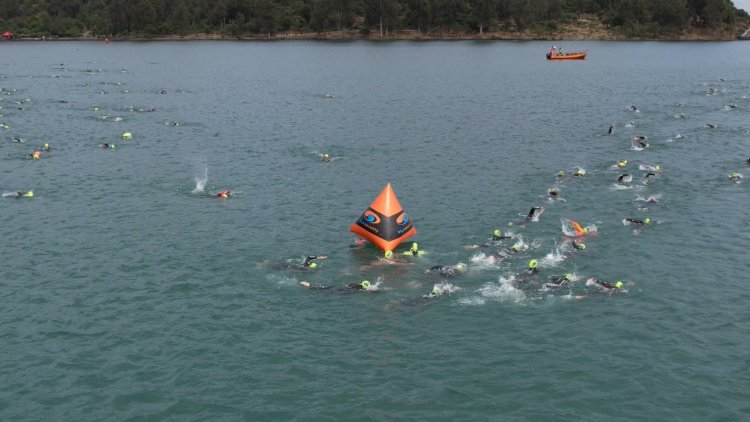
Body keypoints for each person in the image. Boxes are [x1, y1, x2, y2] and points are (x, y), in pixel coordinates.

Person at [300, 279, 372, 292]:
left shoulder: (356, 284)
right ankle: (309, 286)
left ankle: (310, 286)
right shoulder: (358, 289)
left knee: (324, 288)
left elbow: (349, 284)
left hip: (340, 287)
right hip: (340, 290)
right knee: (324, 291)